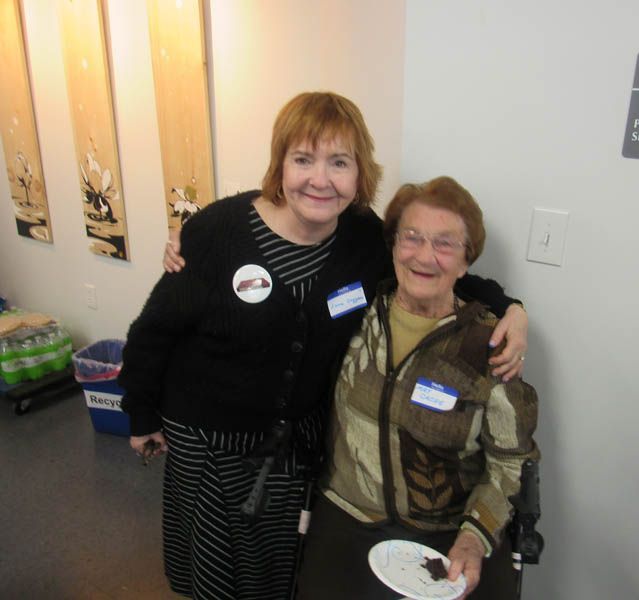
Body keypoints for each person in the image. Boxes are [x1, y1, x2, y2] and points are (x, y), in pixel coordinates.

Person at [119, 92, 528, 600]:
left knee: (277, 576)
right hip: (210, 445)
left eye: (339, 162)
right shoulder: (216, 232)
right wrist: (140, 412)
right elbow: (153, 330)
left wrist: (512, 308)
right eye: (303, 159)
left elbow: (435, 265)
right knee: (218, 579)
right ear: (280, 165)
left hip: (295, 450)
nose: (320, 179)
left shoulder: (362, 238)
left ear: (359, 174)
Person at [295, 176, 540, 600]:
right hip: (347, 515)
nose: (424, 256)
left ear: (465, 262)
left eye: (445, 244)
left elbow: (512, 460)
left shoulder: (488, 345)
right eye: (411, 237)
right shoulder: (354, 313)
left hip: (447, 531)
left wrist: (475, 535)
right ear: (392, 246)